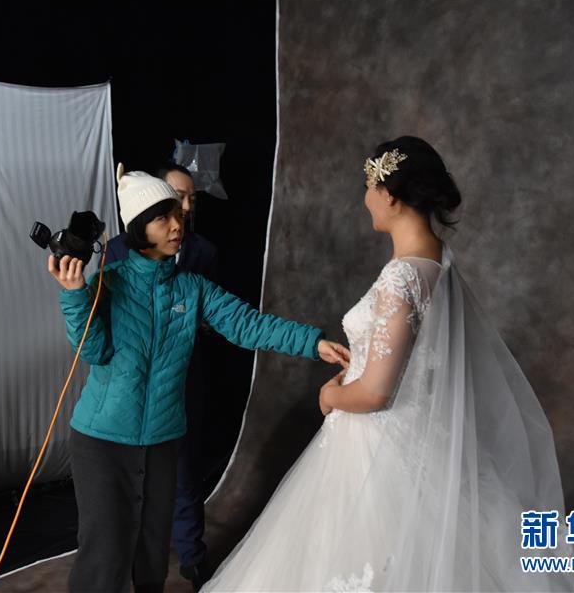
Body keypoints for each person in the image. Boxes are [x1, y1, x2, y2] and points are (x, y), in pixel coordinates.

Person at [201, 137, 574, 592]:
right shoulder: (435, 259)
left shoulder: (402, 277)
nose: (365, 199)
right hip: (409, 434)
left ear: (390, 196)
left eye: (368, 187)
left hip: (380, 447)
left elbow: (376, 393)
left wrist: (331, 394)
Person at [48, 164, 350, 593]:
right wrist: (75, 296)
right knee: (106, 553)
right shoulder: (108, 284)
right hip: (102, 441)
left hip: (163, 439)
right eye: (163, 218)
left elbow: (248, 325)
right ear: (138, 227)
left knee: (152, 555)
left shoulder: (193, 289)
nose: (178, 225)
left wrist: (313, 343)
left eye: (179, 215)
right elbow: (93, 351)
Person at [106, 161, 218, 590]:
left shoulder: (203, 253)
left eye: (191, 200)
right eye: (176, 199)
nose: (185, 209)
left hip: (184, 381)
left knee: (185, 472)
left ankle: (192, 558)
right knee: (129, 483)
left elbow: (229, 317)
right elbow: (98, 330)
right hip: (130, 389)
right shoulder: (115, 254)